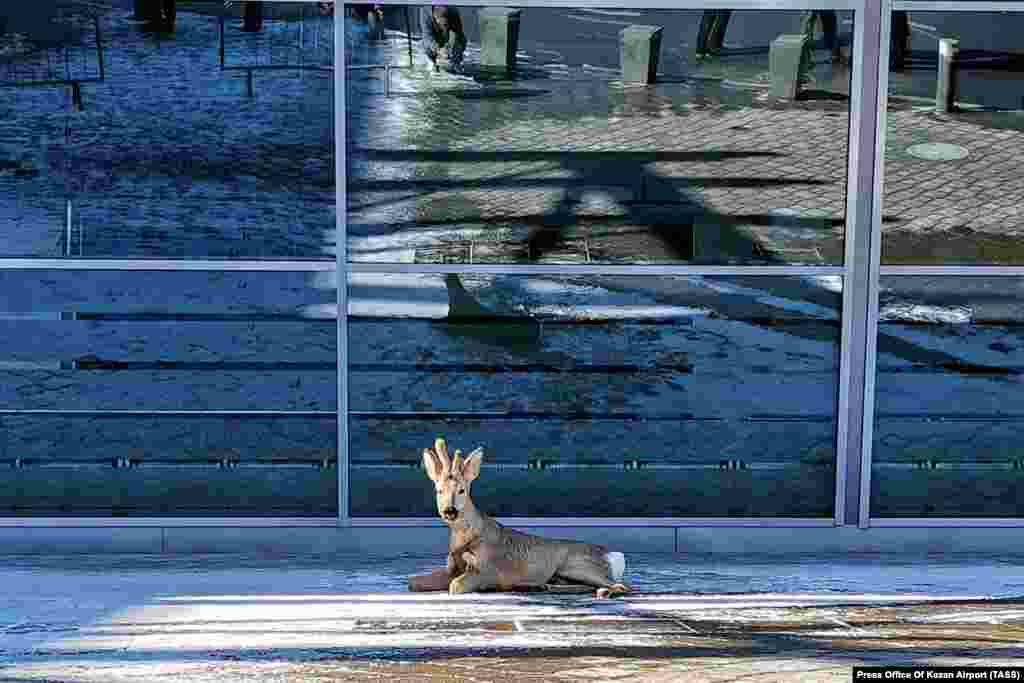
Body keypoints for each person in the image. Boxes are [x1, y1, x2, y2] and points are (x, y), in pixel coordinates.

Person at [420, 5, 466, 72]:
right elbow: (427, 37)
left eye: (445, 24)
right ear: (435, 18)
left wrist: (448, 48)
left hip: (451, 35)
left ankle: (455, 64)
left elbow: (457, 34)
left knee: (459, 44)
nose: (443, 27)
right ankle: (435, 63)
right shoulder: (425, 12)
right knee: (427, 45)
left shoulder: (453, 12)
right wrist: (438, 49)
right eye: (441, 24)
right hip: (435, 35)